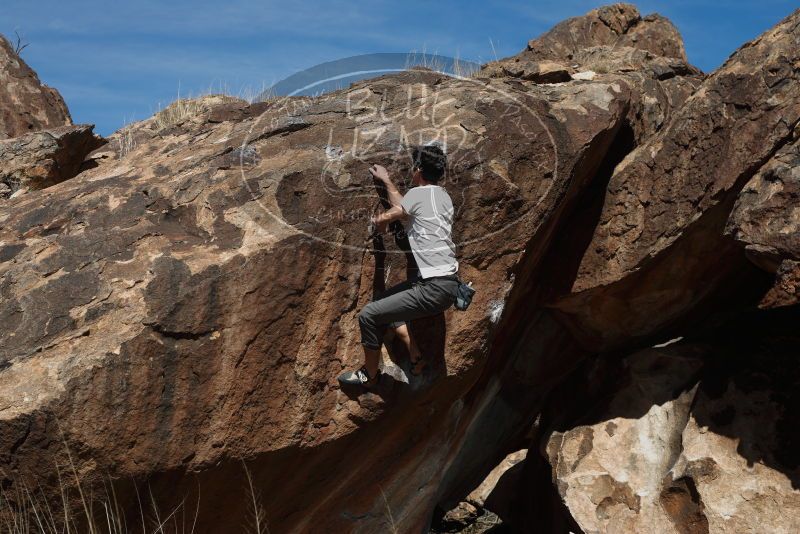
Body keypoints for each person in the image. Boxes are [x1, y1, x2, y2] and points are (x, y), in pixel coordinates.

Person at [338, 144, 460, 389]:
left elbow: (394, 212)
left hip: (431, 289)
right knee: (385, 304)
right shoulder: (442, 196)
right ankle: (415, 356)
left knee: (368, 315)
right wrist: (385, 180)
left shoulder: (418, 195)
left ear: (417, 169)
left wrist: (381, 221)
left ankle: (370, 376)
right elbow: (405, 204)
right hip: (447, 285)